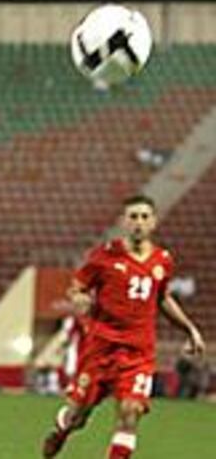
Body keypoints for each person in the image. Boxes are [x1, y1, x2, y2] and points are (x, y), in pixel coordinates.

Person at [42, 195, 206, 459]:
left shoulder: (162, 261)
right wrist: (80, 298)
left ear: (153, 222)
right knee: (78, 416)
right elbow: (77, 287)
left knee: (130, 412)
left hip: (138, 353)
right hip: (101, 349)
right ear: (123, 222)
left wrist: (190, 329)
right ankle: (62, 430)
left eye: (144, 217)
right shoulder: (104, 256)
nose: (138, 223)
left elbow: (162, 298)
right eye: (133, 217)